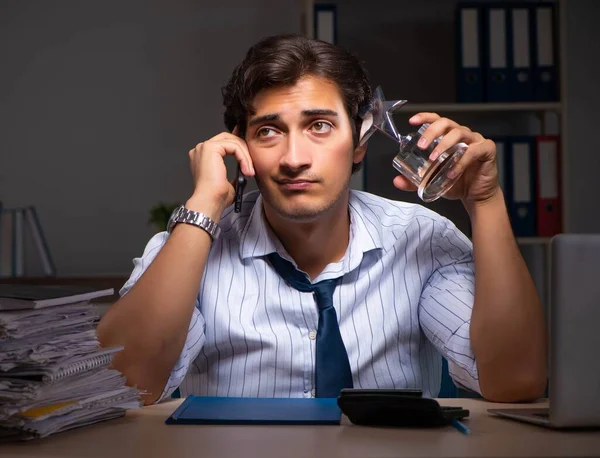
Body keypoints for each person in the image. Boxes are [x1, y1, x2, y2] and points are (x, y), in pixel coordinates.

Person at [97, 34, 547, 405]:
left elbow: (517, 382)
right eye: (268, 131)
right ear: (240, 149)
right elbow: (121, 387)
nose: (294, 159)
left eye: (319, 126)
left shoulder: (422, 238)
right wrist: (204, 204)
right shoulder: (189, 248)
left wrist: (484, 202)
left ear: (359, 143)